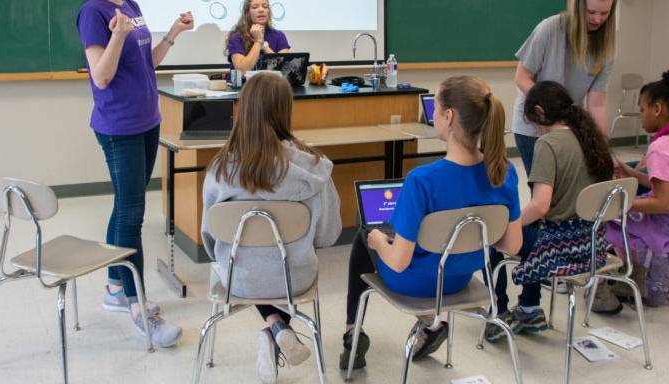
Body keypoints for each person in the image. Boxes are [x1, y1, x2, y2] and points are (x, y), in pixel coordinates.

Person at [340, 76, 523, 370]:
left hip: (414, 283)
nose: (432, 114)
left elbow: (399, 262)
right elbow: (513, 245)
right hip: (458, 279)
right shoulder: (504, 172)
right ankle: (432, 323)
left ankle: (353, 332)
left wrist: (378, 242)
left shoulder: (422, 181)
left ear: (448, 117)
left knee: (366, 234)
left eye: (435, 108)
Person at [75, 0, 194, 348]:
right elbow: (102, 76)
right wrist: (119, 35)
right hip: (118, 126)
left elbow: (148, 63)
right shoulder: (93, 13)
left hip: (148, 121)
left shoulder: (133, 6)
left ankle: (113, 285)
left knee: (125, 206)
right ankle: (137, 305)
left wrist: (173, 34)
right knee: (132, 215)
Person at [202, 72, 341, 384]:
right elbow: (329, 235)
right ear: (285, 110)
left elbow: (209, 238)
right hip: (296, 277)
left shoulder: (220, 170)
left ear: (244, 109)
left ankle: (274, 326)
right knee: (282, 267)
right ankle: (276, 328)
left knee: (251, 267)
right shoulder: (315, 168)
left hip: (239, 278)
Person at [484, 81, 614, 342]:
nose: (533, 127)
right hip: (592, 242)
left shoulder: (548, 144)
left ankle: (498, 312)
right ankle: (529, 308)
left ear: (540, 112)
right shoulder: (590, 137)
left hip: (561, 245)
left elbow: (540, 205)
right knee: (529, 231)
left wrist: (511, 224)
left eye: (532, 121)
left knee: (497, 240)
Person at [593, 65, 669, 312]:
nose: (641, 114)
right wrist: (633, 174)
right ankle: (634, 275)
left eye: (642, 109)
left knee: (606, 221)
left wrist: (622, 205)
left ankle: (612, 284)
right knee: (625, 212)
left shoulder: (660, 149)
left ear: (657, 109)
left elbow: (664, 203)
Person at [512, 0, 618, 179]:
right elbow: (522, 77)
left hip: (568, 127)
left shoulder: (606, 47)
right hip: (534, 127)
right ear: (579, 6)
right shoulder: (550, 28)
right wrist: (548, 112)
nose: (597, 19)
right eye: (591, 12)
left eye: (604, 13)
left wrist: (603, 146)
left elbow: (597, 104)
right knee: (544, 192)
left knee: (566, 189)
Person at [226, 0, 291, 72]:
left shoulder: (279, 35)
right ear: (247, 13)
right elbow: (242, 71)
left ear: (269, 12)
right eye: (255, 7)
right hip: (245, 84)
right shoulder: (236, 37)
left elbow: (284, 69)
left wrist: (265, 47)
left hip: (271, 83)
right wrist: (258, 42)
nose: (261, 10)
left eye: (265, 6)